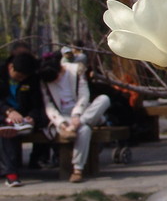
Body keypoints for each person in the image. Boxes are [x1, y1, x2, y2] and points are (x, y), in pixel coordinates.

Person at [38, 53, 111, 183]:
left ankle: (79, 124)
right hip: (63, 117)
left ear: (60, 70)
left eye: (56, 78)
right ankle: (78, 169)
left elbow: (84, 95)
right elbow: (48, 105)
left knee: (104, 99)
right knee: (85, 130)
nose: (55, 82)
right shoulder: (45, 80)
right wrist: (61, 123)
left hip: (82, 113)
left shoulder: (75, 70)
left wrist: (77, 116)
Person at [0, 52, 43, 187]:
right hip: (4, 116)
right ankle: (11, 173)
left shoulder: (32, 80)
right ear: (10, 67)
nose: (20, 79)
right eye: (18, 76)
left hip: (22, 120)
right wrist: (8, 111)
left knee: (9, 131)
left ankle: (11, 173)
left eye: (24, 77)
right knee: (6, 131)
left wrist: (32, 117)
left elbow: (37, 104)